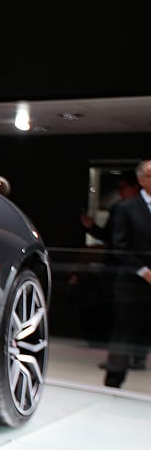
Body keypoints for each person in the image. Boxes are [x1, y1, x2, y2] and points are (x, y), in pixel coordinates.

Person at [99, 159, 151, 388]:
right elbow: (119, 246)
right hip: (132, 281)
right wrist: (144, 271)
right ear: (141, 180)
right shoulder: (126, 207)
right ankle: (114, 379)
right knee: (124, 330)